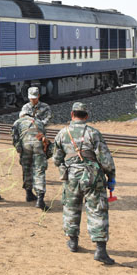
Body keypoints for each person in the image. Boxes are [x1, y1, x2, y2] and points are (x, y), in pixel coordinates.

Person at [51, 102, 116, 265]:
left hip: (71, 177)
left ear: (72, 114)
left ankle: (73, 242)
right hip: (93, 176)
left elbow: (56, 159)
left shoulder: (62, 133)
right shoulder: (93, 133)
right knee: (97, 210)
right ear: (86, 116)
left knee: (71, 208)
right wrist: (111, 176)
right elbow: (105, 159)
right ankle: (100, 250)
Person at [12, 112, 52, 209]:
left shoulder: (18, 122)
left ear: (21, 115)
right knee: (39, 171)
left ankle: (29, 193)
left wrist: (19, 149)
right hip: (38, 145)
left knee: (26, 169)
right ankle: (40, 199)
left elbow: (15, 138)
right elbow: (44, 135)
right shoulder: (38, 122)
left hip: (25, 146)